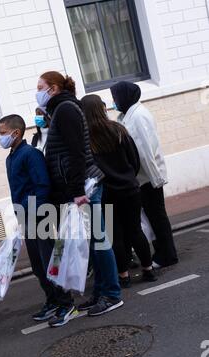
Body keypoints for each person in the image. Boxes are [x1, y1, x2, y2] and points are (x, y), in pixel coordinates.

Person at [36, 71, 123, 322]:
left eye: (40, 86)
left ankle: (112, 295)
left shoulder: (65, 110)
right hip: (81, 187)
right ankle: (100, 292)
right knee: (93, 244)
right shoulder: (61, 109)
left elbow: (76, 153)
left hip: (86, 187)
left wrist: (75, 191)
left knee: (99, 242)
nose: (37, 91)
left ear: (53, 88)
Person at [0, 114, 75, 326]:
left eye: (3, 133)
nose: (0, 138)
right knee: (38, 265)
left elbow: (42, 185)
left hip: (39, 214)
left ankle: (66, 303)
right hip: (26, 217)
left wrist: (33, 210)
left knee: (49, 261)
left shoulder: (30, 154)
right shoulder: (11, 157)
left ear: (16, 132)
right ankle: (52, 300)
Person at [81, 94, 157, 288]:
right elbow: (134, 159)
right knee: (135, 230)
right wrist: (128, 175)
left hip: (106, 192)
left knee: (116, 236)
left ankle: (124, 276)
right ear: (102, 109)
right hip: (130, 188)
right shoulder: (118, 130)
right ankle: (148, 270)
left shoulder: (86, 139)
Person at [110, 82, 178, 269]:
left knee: (157, 217)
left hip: (148, 177)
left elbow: (146, 150)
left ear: (125, 96)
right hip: (142, 178)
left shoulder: (138, 116)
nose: (114, 101)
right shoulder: (127, 116)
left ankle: (168, 254)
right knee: (151, 216)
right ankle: (162, 251)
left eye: (115, 97)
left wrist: (155, 178)